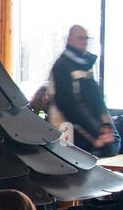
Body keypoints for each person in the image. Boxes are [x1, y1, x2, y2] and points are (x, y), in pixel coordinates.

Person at [48, 25, 117, 156]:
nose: (84, 42)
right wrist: (96, 132)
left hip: (91, 132)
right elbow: (69, 105)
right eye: (80, 38)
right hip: (68, 131)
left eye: (86, 38)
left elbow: (97, 99)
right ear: (69, 40)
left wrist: (105, 126)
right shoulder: (61, 67)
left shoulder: (86, 65)